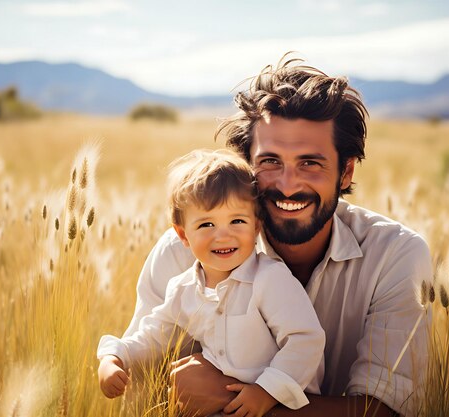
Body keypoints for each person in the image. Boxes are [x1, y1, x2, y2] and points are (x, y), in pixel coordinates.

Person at [116, 55, 433, 417]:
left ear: (345, 173)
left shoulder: (395, 256)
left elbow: (385, 412)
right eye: (270, 162)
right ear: (245, 168)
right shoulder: (181, 253)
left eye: (309, 163)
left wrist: (229, 398)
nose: (287, 185)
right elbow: (142, 390)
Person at [97, 149, 326, 417]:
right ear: (183, 235)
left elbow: (305, 340)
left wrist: (267, 392)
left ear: (256, 227)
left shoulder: (269, 279)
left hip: (283, 406)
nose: (223, 236)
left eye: (237, 221)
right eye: (207, 224)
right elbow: (153, 334)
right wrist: (114, 356)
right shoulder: (182, 289)